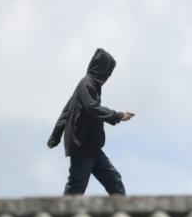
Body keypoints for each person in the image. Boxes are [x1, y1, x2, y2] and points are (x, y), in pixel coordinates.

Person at [47, 48, 135, 195]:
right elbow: (91, 107)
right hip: (82, 146)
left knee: (114, 182)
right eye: (108, 72)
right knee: (76, 189)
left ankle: (125, 214)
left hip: (92, 146)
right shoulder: (86, 84)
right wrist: (117, 115)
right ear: (102, 69)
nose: (108, 77)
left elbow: (66, 112)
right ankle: (64, 216)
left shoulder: (90, 85)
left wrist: (55, 136)